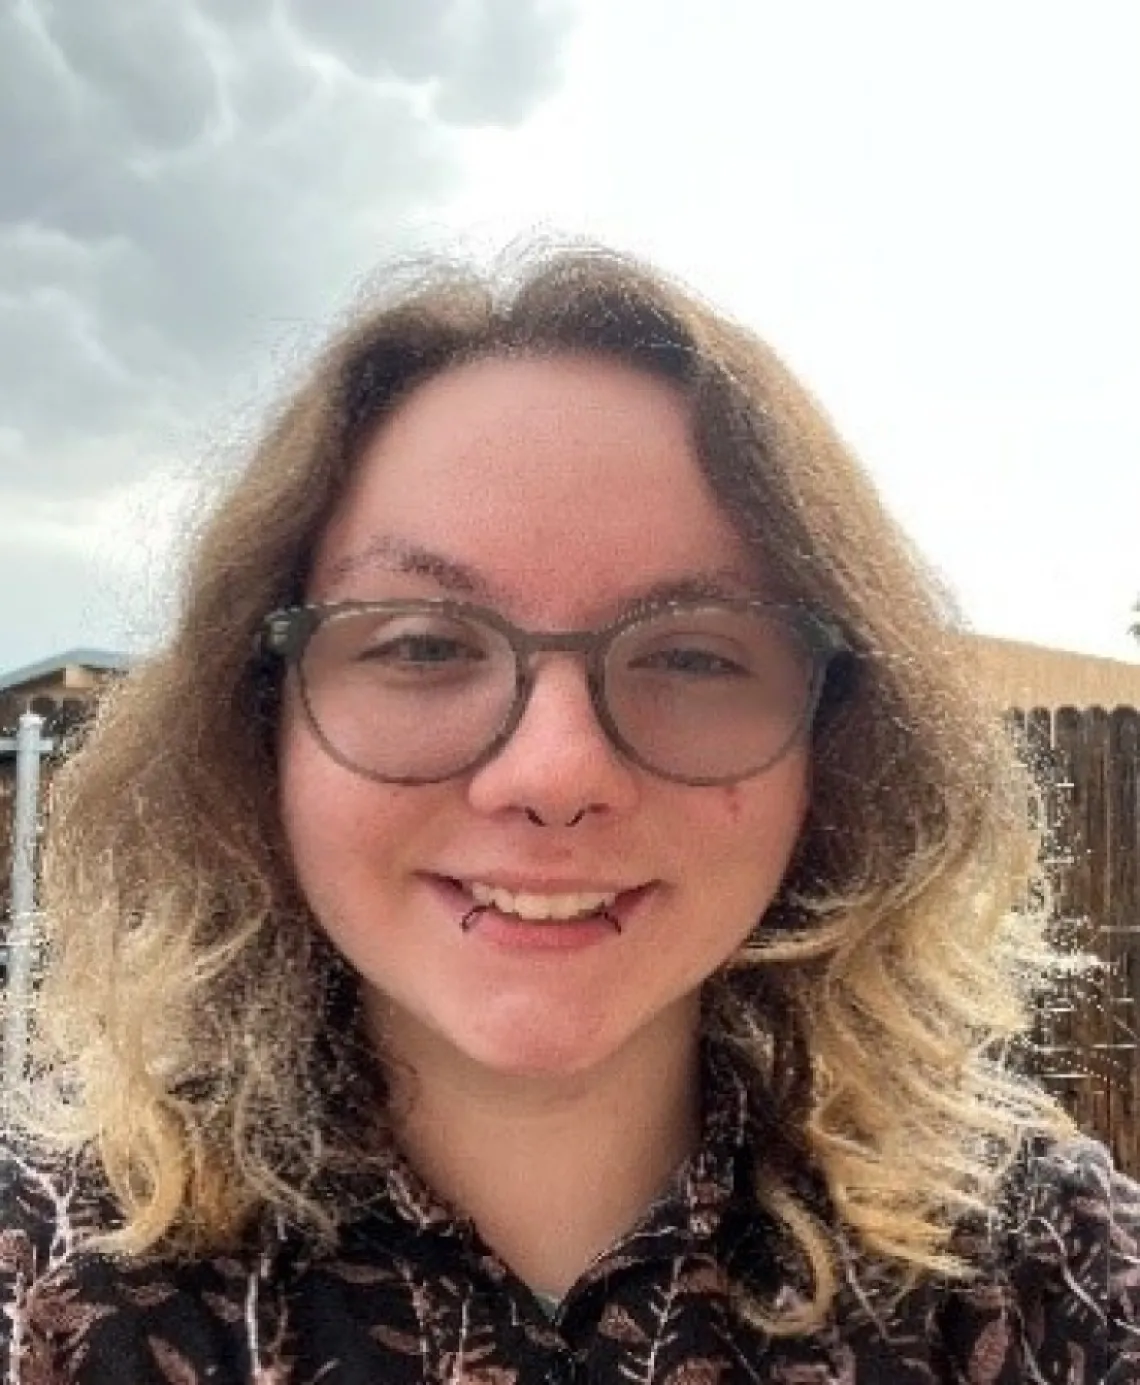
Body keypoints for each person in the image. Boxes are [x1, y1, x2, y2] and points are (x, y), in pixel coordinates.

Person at [1, 244, 1136, 1384]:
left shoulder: (1041, 1268)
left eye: (693, 652)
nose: (553, 772)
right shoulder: (43, 1268)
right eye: (424, 644)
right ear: (260, 721)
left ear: (833, 744)